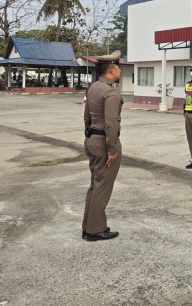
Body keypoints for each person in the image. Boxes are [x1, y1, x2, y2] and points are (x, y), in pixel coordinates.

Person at [82, 50, 123, 241]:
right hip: (104, 143)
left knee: (95, 184)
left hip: (92, 139)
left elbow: (87, 116)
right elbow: (111, 124)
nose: (120, 72)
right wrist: (112, 150)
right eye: (118, 68)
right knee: (102, 187)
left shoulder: (93, 88)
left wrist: (89, 136)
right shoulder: (110, 92)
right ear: (111, 70)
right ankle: (95, 229)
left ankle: (88, 226)